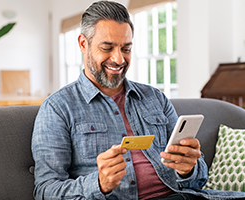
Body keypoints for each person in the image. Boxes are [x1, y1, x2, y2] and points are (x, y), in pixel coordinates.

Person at [31, 1, 245, 199]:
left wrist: (188, 168)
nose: (119, 59)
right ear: (83, 44)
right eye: (107, 48)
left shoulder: (155, 98)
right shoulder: (58, 108)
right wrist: (98, 184)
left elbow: (197, 180)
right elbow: (45, 191)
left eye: (126, 49)